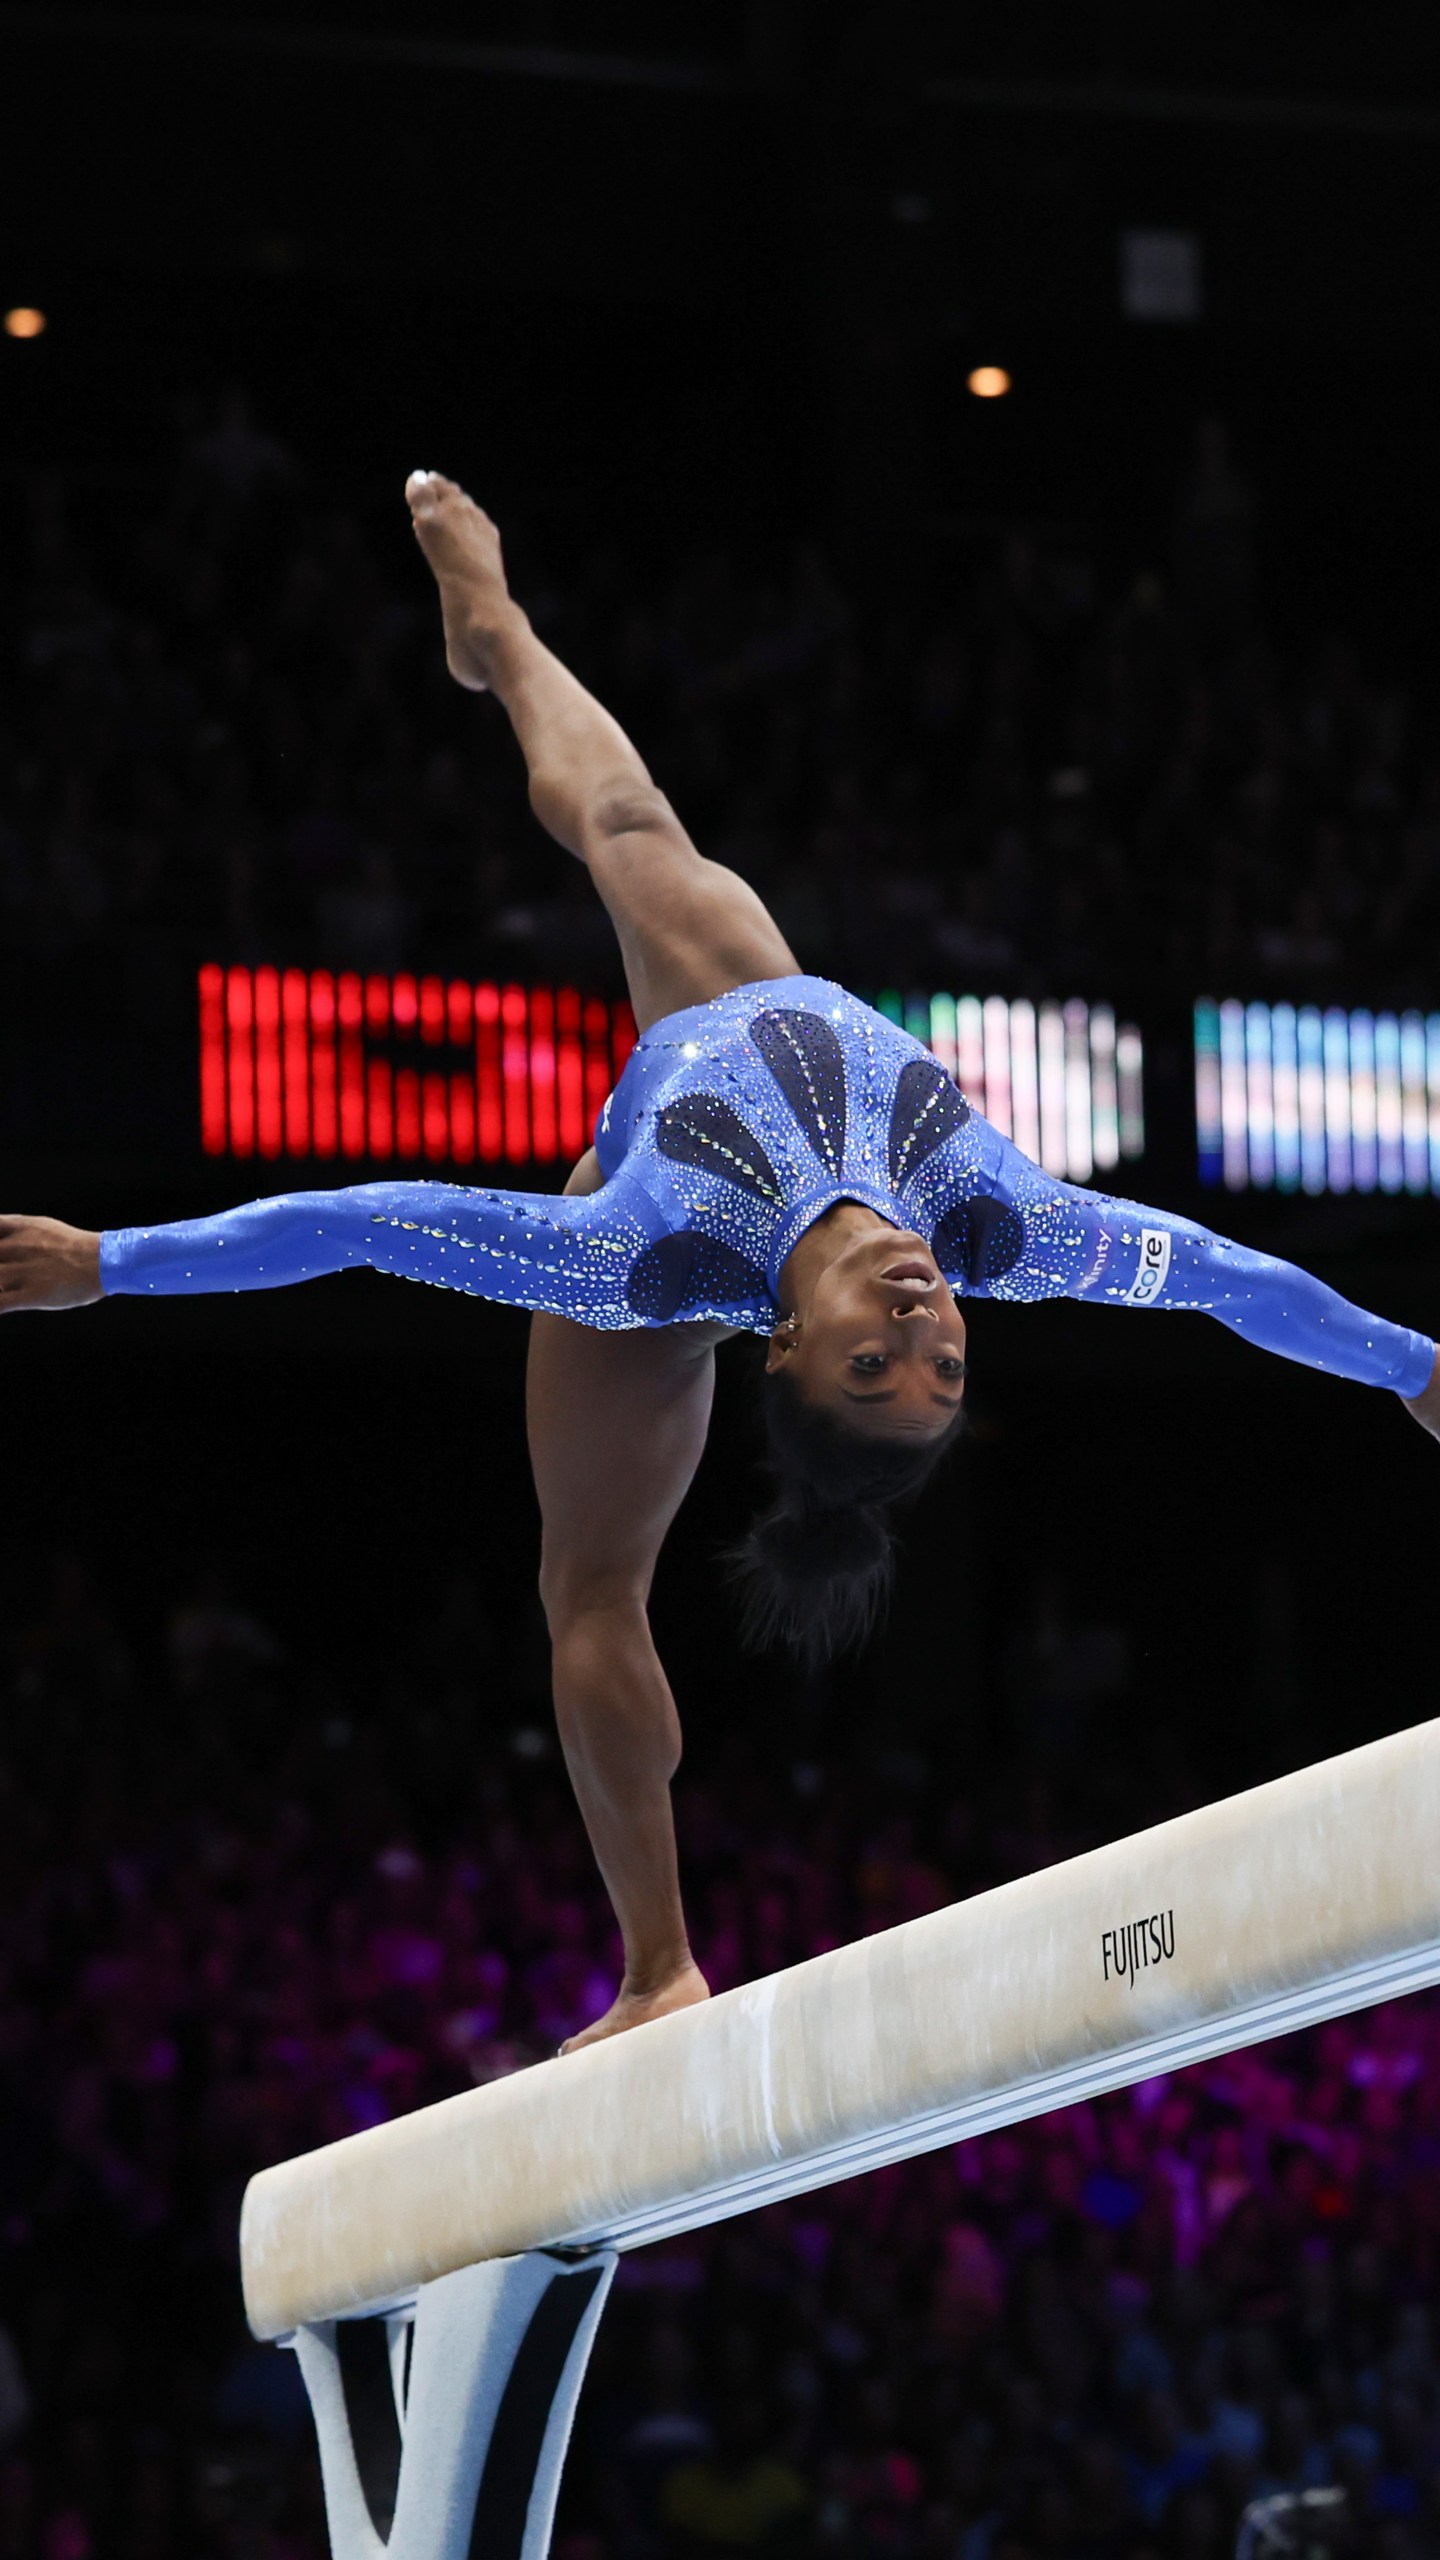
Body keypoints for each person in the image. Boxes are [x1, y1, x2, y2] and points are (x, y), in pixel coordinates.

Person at [4, 474, 1438, 2050]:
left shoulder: (637, 1256)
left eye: (873, 1365)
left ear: (782, 1350)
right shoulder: (1003, 1220)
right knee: (625, 826)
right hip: (740, 998)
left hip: (655, 1169)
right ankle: (495, 630)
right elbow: (1238, 1282)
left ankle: (657, 1965)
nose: (919, 1321)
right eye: (943, 1361)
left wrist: (110, 1262)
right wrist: (1419, 1366)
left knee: (588, 1583)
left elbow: (362, 1224)